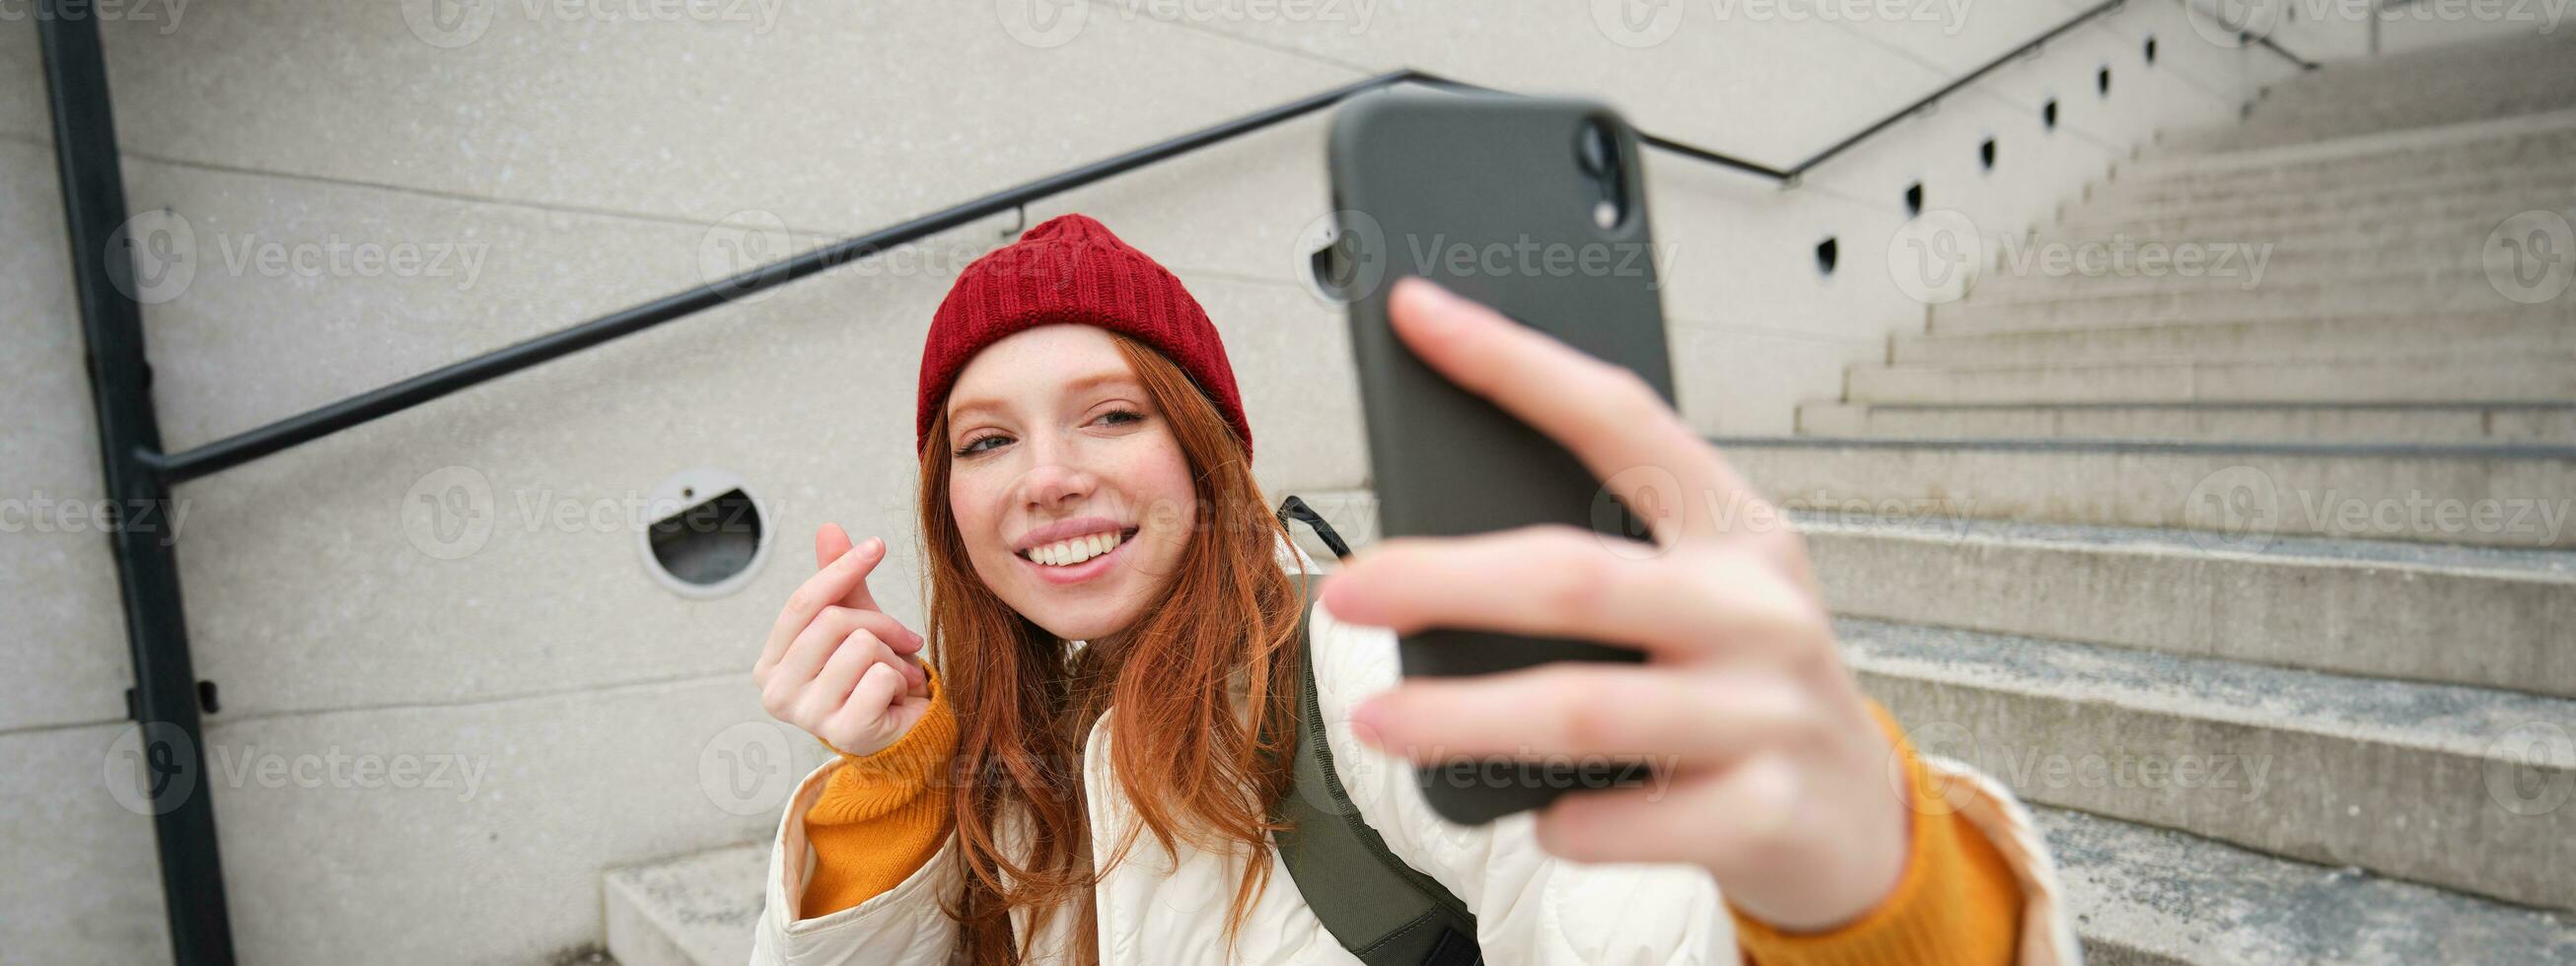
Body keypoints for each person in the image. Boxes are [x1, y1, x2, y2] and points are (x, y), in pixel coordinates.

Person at [748, 213, 2078, 965]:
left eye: (1112, 417)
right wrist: (894, 793)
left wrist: (1865, 886)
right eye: (987, 440)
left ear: (1210, 457)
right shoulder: (992, 745)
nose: (1045, 478)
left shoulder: (1363, 660)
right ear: (947, 506)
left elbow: (1627, 915)